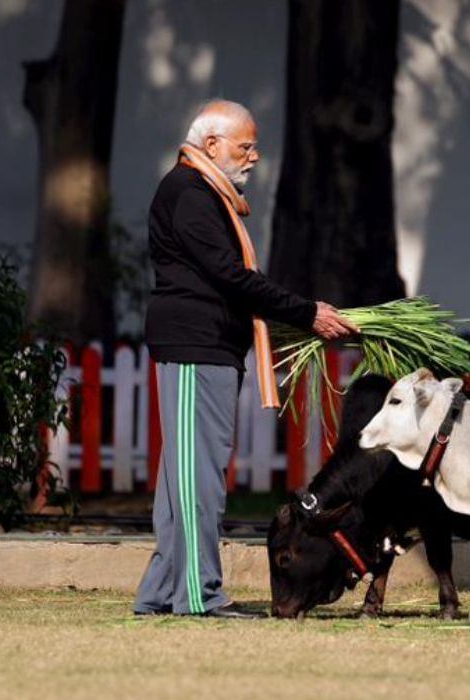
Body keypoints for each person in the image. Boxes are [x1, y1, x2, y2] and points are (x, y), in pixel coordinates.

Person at [133, 100, 358, 618]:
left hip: (207, 347)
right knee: (197, 483)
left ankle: (160, 595)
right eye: (245, 146)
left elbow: (228, 279)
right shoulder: (189, 193)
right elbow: (229, 276)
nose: (255, 156)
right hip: (195, 346)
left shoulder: (204, 193)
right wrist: (307, 313)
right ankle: (199, 596)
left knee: (183, 481)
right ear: (212, 145)